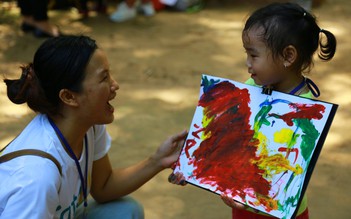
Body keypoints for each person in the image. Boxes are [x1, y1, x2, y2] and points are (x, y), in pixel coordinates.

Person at [169, 2, 336, 219]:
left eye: (254, 55)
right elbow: (224, 136)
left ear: (288, 56)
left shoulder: (305, 114)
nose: (248, 63)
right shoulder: (252, 87)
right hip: (241, 206)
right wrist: (192, 166)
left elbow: (282, 179)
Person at [0, 35, 188, 218]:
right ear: (69, 97)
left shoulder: (88, 125)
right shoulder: (36, 177)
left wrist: (158, 161)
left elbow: (103, 186)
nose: (115, 85)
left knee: (125, 211)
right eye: (104, 78)